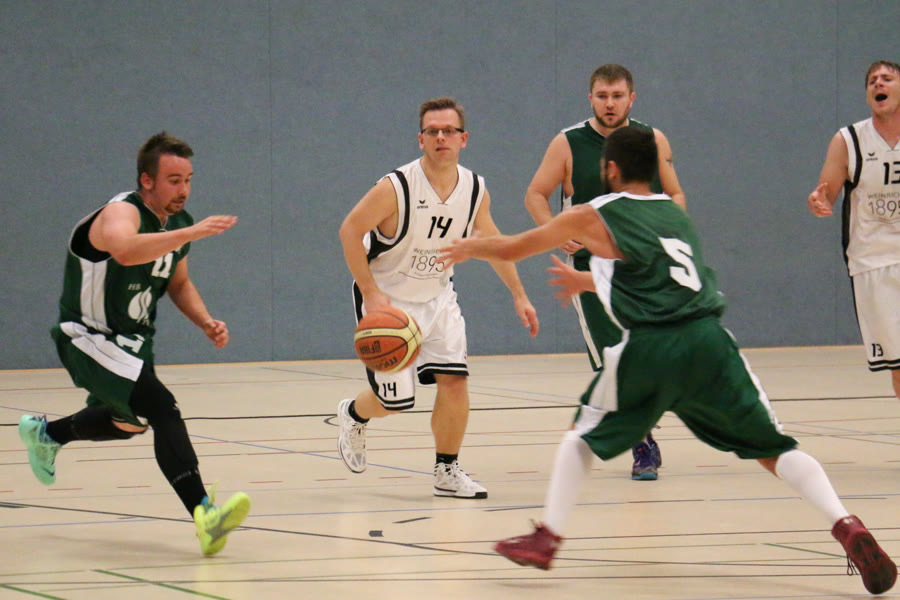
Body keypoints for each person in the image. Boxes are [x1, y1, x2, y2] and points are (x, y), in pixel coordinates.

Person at [440, 126, 896, 595]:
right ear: (656, 170)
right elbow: (659, 276)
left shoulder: (593, 212)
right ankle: (846, 523)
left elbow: (515, 246)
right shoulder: (675, 215)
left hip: (653, 347)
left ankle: (547, 537)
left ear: (610, 169)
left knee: (582, 433)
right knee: (774, 448)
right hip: (710, 343)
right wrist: (590, 282)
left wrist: (469, 246)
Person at [18, 132, 250, 556]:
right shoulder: (121, 212)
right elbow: (125, 251)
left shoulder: (178, 223)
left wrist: (205, 321)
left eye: (188, 180)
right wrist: (192, 232)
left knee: (128, 424)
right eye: (174, 180)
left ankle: (47, 434)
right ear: (147, 180)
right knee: (163, 409)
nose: (183, 189)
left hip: (134, 342)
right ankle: (206, 516)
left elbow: (178, 283)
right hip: (87, 337)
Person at [337, 97, 539, 499]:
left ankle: (447, 469)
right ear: (421, 139)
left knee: (455, 381)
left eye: (449, 131)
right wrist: (371, 293)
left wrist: (520, 294)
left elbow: (493, 243)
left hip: (438, 297)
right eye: (432, 131)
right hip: (389, 301)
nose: (441, 137)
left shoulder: (474, 189)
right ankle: (354, 414)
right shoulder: (395, 187)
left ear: (464, 138)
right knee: (395, 402)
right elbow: (349, 231)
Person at [523, 64, 686, 481]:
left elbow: (675, 193)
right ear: (590, 98)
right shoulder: (568, 142)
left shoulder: (652, 139)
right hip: (589, 268)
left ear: (632, 98)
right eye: (602, 96)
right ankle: (642, 442)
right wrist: (554, 231)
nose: (609, 103)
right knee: (614, 358)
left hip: (643, 267)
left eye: (617, 95)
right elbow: (536, 194)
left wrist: (669, 237)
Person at [808, 59, 900, 403]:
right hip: (874, 262)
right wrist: (819, 200)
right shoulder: (848, 140)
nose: (879, 83)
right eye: (872, 80)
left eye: (887, 78)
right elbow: (827, 191)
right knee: (898, 365)